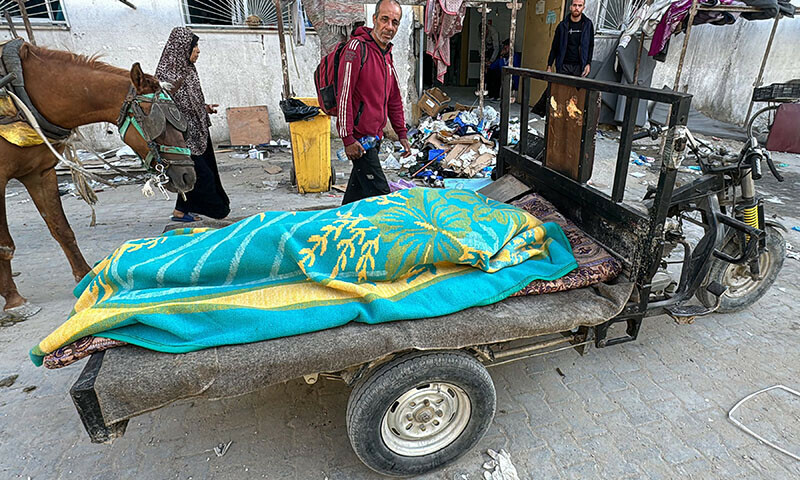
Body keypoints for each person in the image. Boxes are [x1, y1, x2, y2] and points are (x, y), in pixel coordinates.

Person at [338, 0, 412, 205]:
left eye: (395, 22)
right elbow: (344, 94)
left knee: (355, 198)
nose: (389, 27)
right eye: (385, 20)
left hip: (374, 139)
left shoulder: (387, 54)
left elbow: (394, 98)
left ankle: (340, 227)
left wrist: (402, 134)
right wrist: (347, 138)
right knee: (383, 200)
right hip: (360, 142)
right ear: (374, 19)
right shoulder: (356, 48)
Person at [156, 27, 230, 222]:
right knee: (201, 175)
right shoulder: (167, 76)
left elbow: (188, 100)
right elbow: (166, 107)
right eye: (194, 46)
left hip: (199, 133)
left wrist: (203, 108)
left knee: (198, 173)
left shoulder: (188, 69)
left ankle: (181, 211)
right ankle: (213, 210)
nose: (197, 50)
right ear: (181, 48)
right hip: (182, 137)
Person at [547, 0, 594, 78]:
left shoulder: (587, 25)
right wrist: (549, 65)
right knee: (560, 89)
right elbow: (555, 46)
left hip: (579, 66)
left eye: (580, 6)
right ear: (570, 7)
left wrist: (588, 63)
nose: (577, 8)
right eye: (574, 5)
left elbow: (590, 46)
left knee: (577, 90)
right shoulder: (562, 26)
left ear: (583, 7)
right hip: (563, 65)